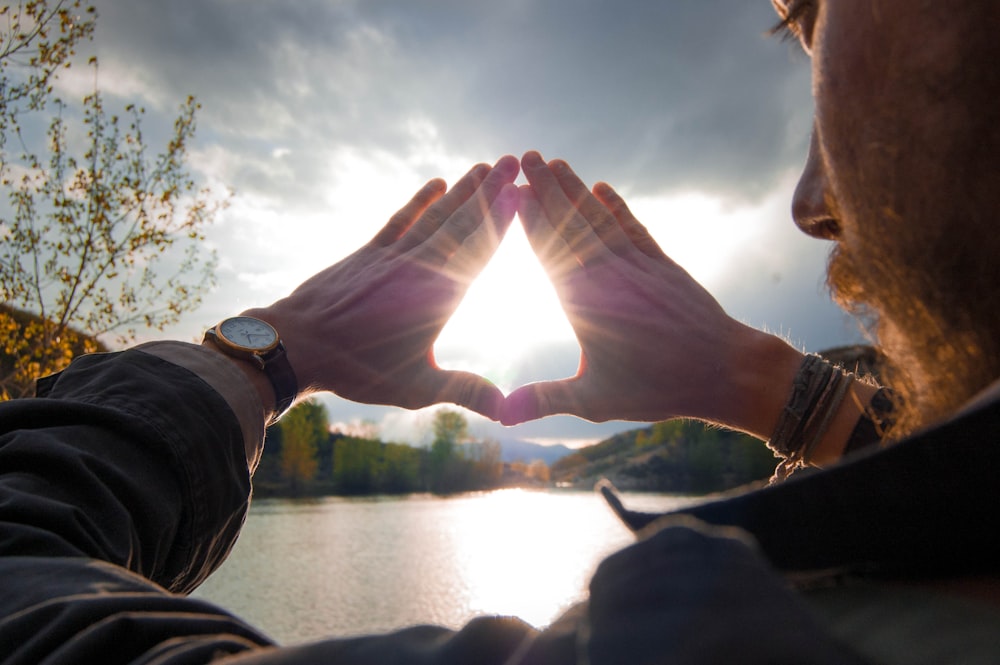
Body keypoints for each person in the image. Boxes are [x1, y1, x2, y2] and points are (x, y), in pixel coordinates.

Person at [3, 0, 1000, 662]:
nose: (811, 198)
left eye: (815, 17)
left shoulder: (691, 639)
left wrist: (271, 352)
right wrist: (778, 387)